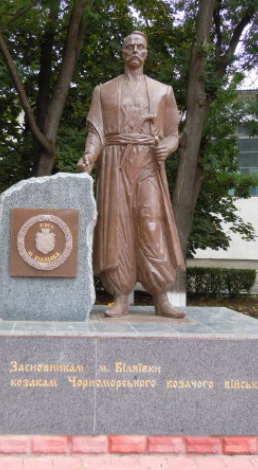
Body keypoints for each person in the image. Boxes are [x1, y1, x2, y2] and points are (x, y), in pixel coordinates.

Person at [77, 31, 185, 318]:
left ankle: (160, 296)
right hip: (114, 162)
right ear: (123, 53)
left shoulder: (163, 91)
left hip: (148, 160)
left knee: (151, 224)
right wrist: (90, 155)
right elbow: (96, 132)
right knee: (117, 228)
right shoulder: (105, 90)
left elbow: (174, 133)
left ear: (146, 52)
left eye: (140, 46)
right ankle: (120, 296)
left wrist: (166, 147)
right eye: (129, 47)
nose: (135, 50)